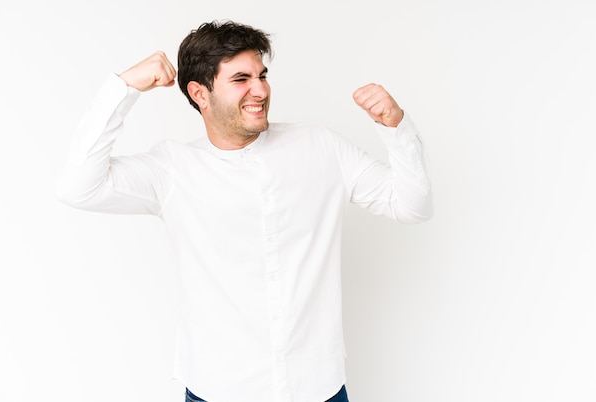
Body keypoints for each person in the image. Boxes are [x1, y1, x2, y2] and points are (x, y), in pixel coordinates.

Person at [57, 20, 433, 402]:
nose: (261, 90)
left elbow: (411, 205)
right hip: (217, 390)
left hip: (317, 387)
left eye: (262, 75)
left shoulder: (321, 147)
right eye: (241, 79)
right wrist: (124, 87)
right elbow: (78, 187)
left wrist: (395, 127)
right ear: (199, 93)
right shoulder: (172, 169)